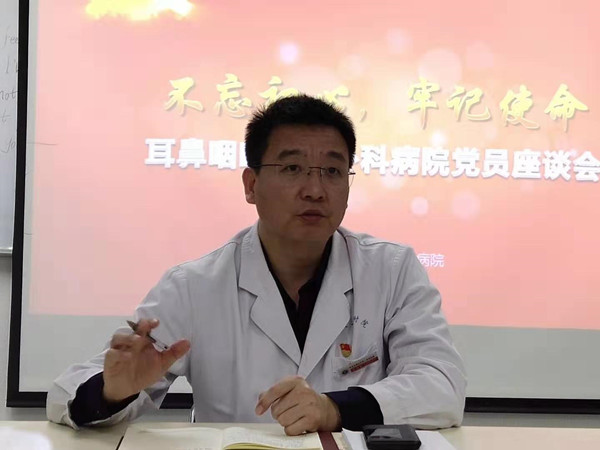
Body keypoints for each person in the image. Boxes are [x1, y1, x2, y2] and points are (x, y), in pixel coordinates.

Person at [47, 95, 466, 434]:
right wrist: (111, 392)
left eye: (333, 171)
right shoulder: (193, 286)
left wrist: (333, 409)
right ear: (251, 185)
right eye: (293, 168)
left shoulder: (392, 269)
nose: (315, 189)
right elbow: (64, 394)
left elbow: (442, 385)